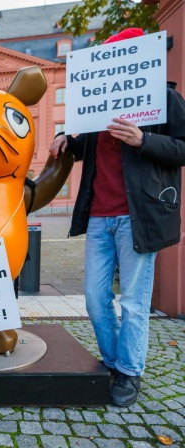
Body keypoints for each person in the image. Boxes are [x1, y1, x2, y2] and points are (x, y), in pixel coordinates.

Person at [49, 28, 185, 407]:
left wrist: (144, 140)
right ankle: (112, 362)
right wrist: (65, 138)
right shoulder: (97, 106)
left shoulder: (163, 98)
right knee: (94, 299)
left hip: (138, 217)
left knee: (134, 303)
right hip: (98, 217)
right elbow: (86, 149)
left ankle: (128, 372)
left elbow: (183, 147)